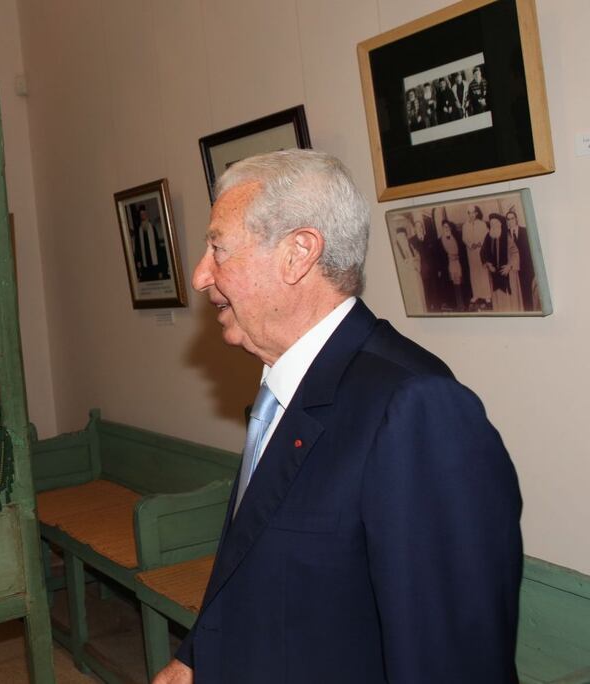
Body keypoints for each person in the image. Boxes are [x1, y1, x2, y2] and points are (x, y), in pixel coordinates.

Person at [154, 149, 522, 683]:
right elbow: (256, 562)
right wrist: (196, 658)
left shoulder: (416, 409)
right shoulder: (288, 384)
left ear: (298, 254)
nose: (200, 274)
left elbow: (451, 662)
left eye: (218, 247)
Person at [482, 212, 523, 312]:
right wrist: (488, 263)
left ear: (500, 224)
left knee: (511, 301)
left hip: (508, 273)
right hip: (494, 274)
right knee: (499, 301)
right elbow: (482, 252)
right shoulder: (488, 237)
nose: (493, 226)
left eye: (495, 224)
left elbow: (515, 252)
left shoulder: (507, 236)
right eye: (491, 224)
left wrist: (509, 266)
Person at [507, 209, 537, 310]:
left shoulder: (525, 231)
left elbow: (532, 250)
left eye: (512, 218)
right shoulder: (505, 234)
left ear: (516, 219)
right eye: (508, 219)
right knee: (517, 294)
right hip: (513, 270)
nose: (510, 221)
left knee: (528, 293)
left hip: (526, 268)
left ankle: (530, 312)